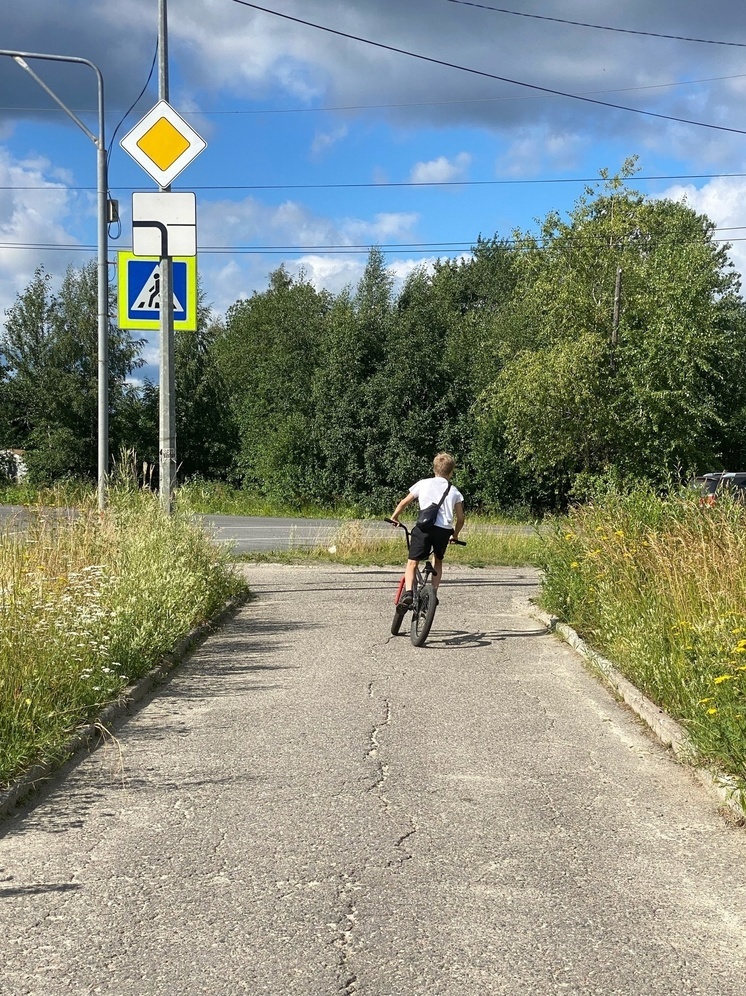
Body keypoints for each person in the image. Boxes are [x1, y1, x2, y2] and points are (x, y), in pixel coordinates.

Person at [389, 452, 465, 608]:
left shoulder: (424, 483)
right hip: (443, 531)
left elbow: (404, 502)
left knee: (412, 563)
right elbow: (461, 518)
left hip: (424, 528)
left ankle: (409, 593)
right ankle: (433, 594)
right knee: (438, 560)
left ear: (434, 469)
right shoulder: (455, 491)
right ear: (451, 472)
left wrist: (394, 517)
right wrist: (455, 535)